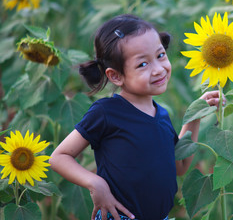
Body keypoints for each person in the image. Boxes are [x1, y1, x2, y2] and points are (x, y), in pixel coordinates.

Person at [50, 14, 223, 220]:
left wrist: (195, 115)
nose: (158, 69)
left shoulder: (161, 115)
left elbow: (181, 165)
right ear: (116, 76)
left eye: (160, 55)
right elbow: (59, 158)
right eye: (143, 64)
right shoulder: (106, 112)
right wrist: (96, 183)